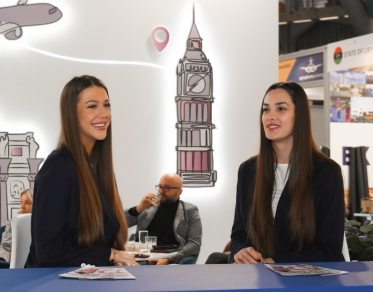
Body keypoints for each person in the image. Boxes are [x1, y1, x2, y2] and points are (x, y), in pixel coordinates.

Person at [26, 75, 137, 268]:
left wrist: (113, 259)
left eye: (106, 105)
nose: (103, 113)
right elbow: (48, 251)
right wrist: (110, 255)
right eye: (92, 106)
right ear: (72, 113)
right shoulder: (57, 167)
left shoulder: (97, 167)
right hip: (53, 283)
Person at [230, 82, 345, 264]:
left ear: (299, 116)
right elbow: (239, 235)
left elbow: (329, 249)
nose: (270, 116)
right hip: (256, 278)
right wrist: (241, 252)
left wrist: (276, 262)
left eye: (281, 109)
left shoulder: (326, 172)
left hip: (307, 279)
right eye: (266, 110)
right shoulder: (248, 170)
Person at [126, 173, 202, 265]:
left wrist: (169, 259)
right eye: (160, 187)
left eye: (167, 188)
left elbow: (194, 244)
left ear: (179, 192)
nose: (161, 191)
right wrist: (139, 208)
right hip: (142, 255)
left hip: (169, 256)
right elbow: (119, 223)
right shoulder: (149, 206)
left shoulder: (190, 210)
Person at [0, 188, 33, 263]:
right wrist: (0, 262)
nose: (22, 206)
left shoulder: (44, 224)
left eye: (27, 203)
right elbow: (5, 247)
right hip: (16, 265)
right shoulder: (13, 223)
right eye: (21, 202)